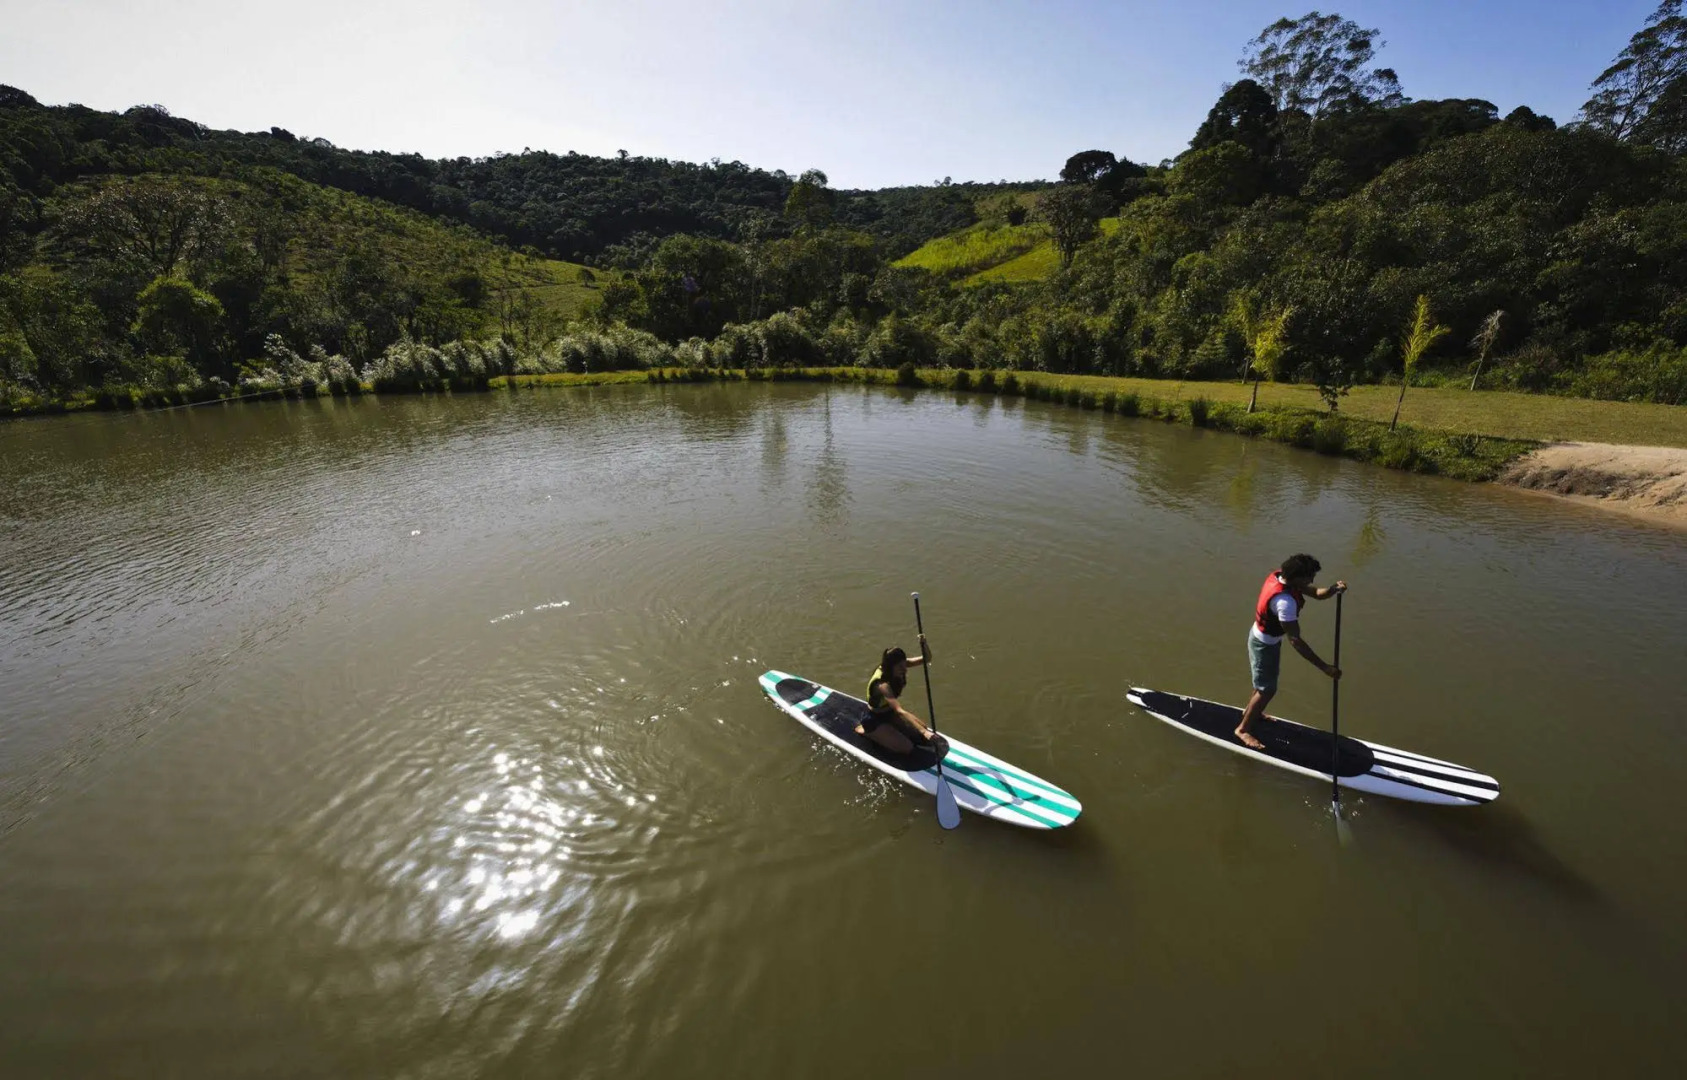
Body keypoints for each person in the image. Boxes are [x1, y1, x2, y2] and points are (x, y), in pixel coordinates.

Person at [1237, 554, 1346, 750]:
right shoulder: (1284, 603)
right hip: (1264, 645)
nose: (1311, 581)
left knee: (1263, 683)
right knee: (1267, 689)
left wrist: (1333, 590)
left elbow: (1316, 593)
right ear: (1297, 578)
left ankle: (1253, 711)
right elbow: (1296, 641)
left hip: (1267, 639)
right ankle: (1243, 730)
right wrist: (1325, 667)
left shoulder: (1282, 577)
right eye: (1309, 577)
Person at [859, 637, 943, 756]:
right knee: (907, 748)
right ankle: (866, 731)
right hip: (873, 719)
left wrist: (924, 644)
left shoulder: (898, 665)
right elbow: (899, 710)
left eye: (904, 665)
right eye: (900, 667)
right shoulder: (882, 684)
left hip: (889, 713)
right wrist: (924, 732)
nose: (904, 670)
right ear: (890, 666)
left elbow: (927, 659)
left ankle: (890, 729)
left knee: (922, 728)